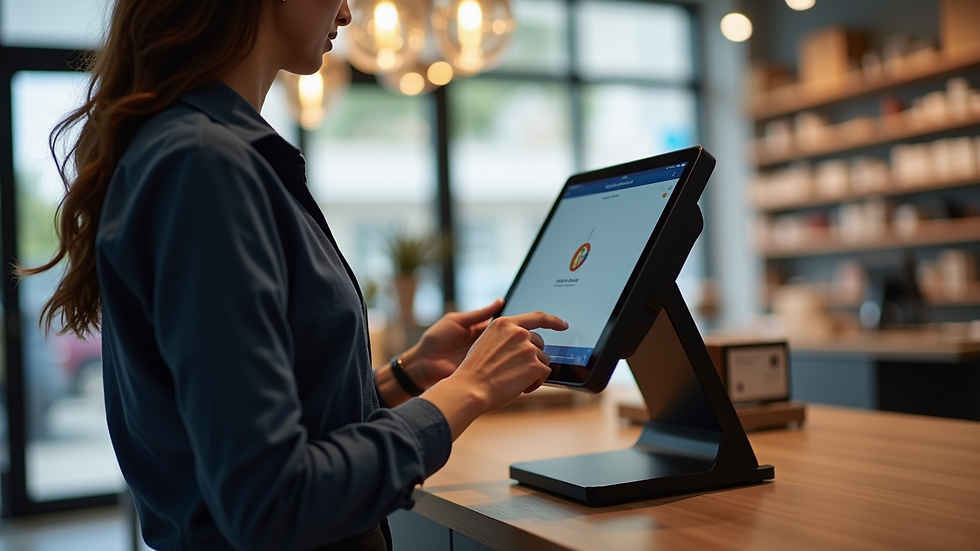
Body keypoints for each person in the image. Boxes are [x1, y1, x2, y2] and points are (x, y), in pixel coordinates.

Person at [22, 0, 567, 549]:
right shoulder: (205, 164)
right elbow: (272, 500)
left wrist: (410, 373)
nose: (349, 14)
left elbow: (271, 427)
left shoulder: (208, 152)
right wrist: (468, 391)